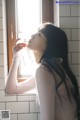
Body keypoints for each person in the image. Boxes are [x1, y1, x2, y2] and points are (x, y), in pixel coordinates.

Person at [5, 22, 79, 120]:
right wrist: (16, 57)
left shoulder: (45, 71)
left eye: (39, 34)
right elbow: (11, 89)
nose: (32, 35)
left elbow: (47, 118)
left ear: (47, 45)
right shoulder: (52, 69)